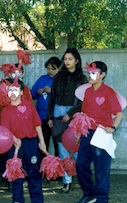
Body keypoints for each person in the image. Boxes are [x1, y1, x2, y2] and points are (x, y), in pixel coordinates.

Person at [75, 61, 123, 203]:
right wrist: (79, 132)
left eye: (94, 73)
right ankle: (89, 194)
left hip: (102, 133)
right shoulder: (88, 92)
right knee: (81, 165)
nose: (91, 75)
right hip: (87, 133)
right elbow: (84, 115)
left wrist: (113, 127)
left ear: (103, 75)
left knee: (101, 168)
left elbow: (119, 113)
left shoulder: (109, 92)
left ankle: (103, 201)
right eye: (90, 72)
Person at [0, 76, 46, 203]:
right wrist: (14, 139)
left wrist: (42, 141)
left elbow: (37, 124)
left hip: (30, 142)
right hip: (14, 145)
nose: (12, 93)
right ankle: (18, 202)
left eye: (15, 90)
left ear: (21, 92)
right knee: (15, 173)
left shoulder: (29, 106)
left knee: (33, 172)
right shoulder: (5, 110)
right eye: (10, 90)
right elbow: (5, 129)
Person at [47, 48, 87, 193]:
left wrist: (71, 113)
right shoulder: (58, 77)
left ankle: (81, 179)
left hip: (75, 114)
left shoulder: (82, 78)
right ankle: (67, 182)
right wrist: (50, 116)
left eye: (70, 59)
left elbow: (84, 101)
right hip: (58, 111)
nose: (67, 61)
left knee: (76, 148)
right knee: (62, 149)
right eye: (65, 59)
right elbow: (52, 98)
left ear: (76, 60)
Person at [31, 57, 61, 158]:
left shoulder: (61, 80)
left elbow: (65, 97)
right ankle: (43, 169)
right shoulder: (42, 79)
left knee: (58, 145)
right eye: (48, 68)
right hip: (41, 116)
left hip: (56, 117)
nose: (50, 71)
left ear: (59, 68)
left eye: (53, 69)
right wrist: (38, 91)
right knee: (43, 144)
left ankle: (58, 170)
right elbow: (32, 94)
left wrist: (52, 91)